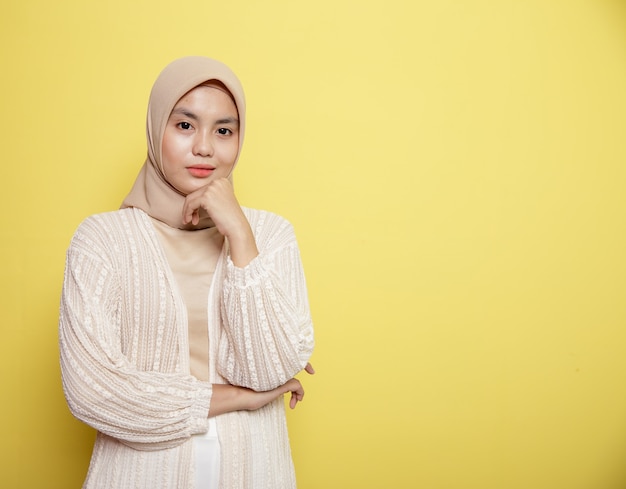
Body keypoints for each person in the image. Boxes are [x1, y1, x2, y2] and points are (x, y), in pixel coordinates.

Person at [59, 56, 315, 489]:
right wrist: (234, 399)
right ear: (156, 127)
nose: (205, 148)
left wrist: (240, 235)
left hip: (257, 473)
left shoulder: (270, 234)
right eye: (184, 126)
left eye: (223, 130)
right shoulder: (101, 239)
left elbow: (268, 369)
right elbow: (93, 391)